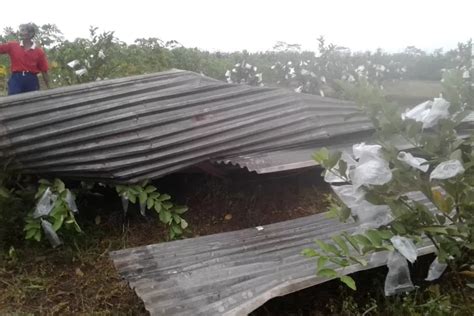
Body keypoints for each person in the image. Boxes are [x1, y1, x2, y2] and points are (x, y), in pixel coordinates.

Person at [0, 23, 50, 95]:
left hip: (31, 79)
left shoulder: (39, 52)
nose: (22, 33)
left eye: (24, 30)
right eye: (22, 30)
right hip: (16, 79)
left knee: (32, 102)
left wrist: (49, 87)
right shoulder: (12, 46)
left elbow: (44, 70)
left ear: (31, 33)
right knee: (14, 101)